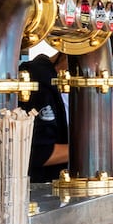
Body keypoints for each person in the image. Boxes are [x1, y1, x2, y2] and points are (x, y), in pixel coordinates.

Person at [20, 49, 70, 182]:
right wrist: (92, 151)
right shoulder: (40, 86)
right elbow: (41, 153)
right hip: (35, 192)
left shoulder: (50, 81)